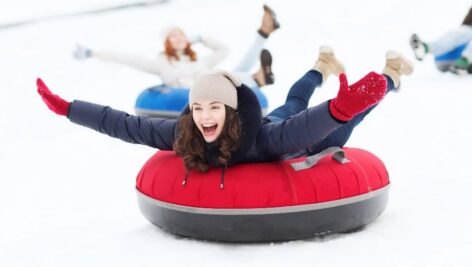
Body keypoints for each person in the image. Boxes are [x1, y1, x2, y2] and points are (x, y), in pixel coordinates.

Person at [36, 46, 413, 187]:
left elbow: (302, 129)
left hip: (307, 139)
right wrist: (70, 108)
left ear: (229, 111)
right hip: (275, 125)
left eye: (214, 107)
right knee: (294, 101)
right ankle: (323, 63)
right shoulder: (184, 134)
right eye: (198, 108)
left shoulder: (263, 140)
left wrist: (338, 110)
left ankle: (389, 75)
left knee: (323, 108)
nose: (204, 116)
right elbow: (126, 124)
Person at [73, 4, 280, 89]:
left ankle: (264, 32)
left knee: (238, 70)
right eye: (173, 36)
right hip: (200, 92)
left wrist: (200, 38)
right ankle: (257, 77)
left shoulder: (199, 59)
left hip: (219, 83)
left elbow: (224, 50)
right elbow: (127, 58)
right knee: (236, 74)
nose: (178, 37)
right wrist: (93, 53)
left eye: (181, 33)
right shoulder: (162, 63)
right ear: (167, 43)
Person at [410, 7, 472, 74]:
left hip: (441, 60)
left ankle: (426, 48)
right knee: (457, 35)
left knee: (456, 35)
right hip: (453, 58)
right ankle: (425, 48)